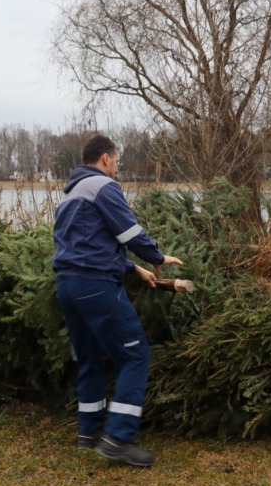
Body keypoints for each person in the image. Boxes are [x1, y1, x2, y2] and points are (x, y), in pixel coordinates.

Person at [52, 135, 182, 467]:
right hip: (95, 286)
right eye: (118, 162)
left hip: (68, 286)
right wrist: (155, 255)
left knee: (90, 357)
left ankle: (88, 434)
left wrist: (131, 267)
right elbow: (129, 233)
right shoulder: (103, 186)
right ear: (106, 158)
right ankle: (118, 439)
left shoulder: (70, 194)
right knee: (136, 354)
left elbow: (84, 247)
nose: (117, 169)